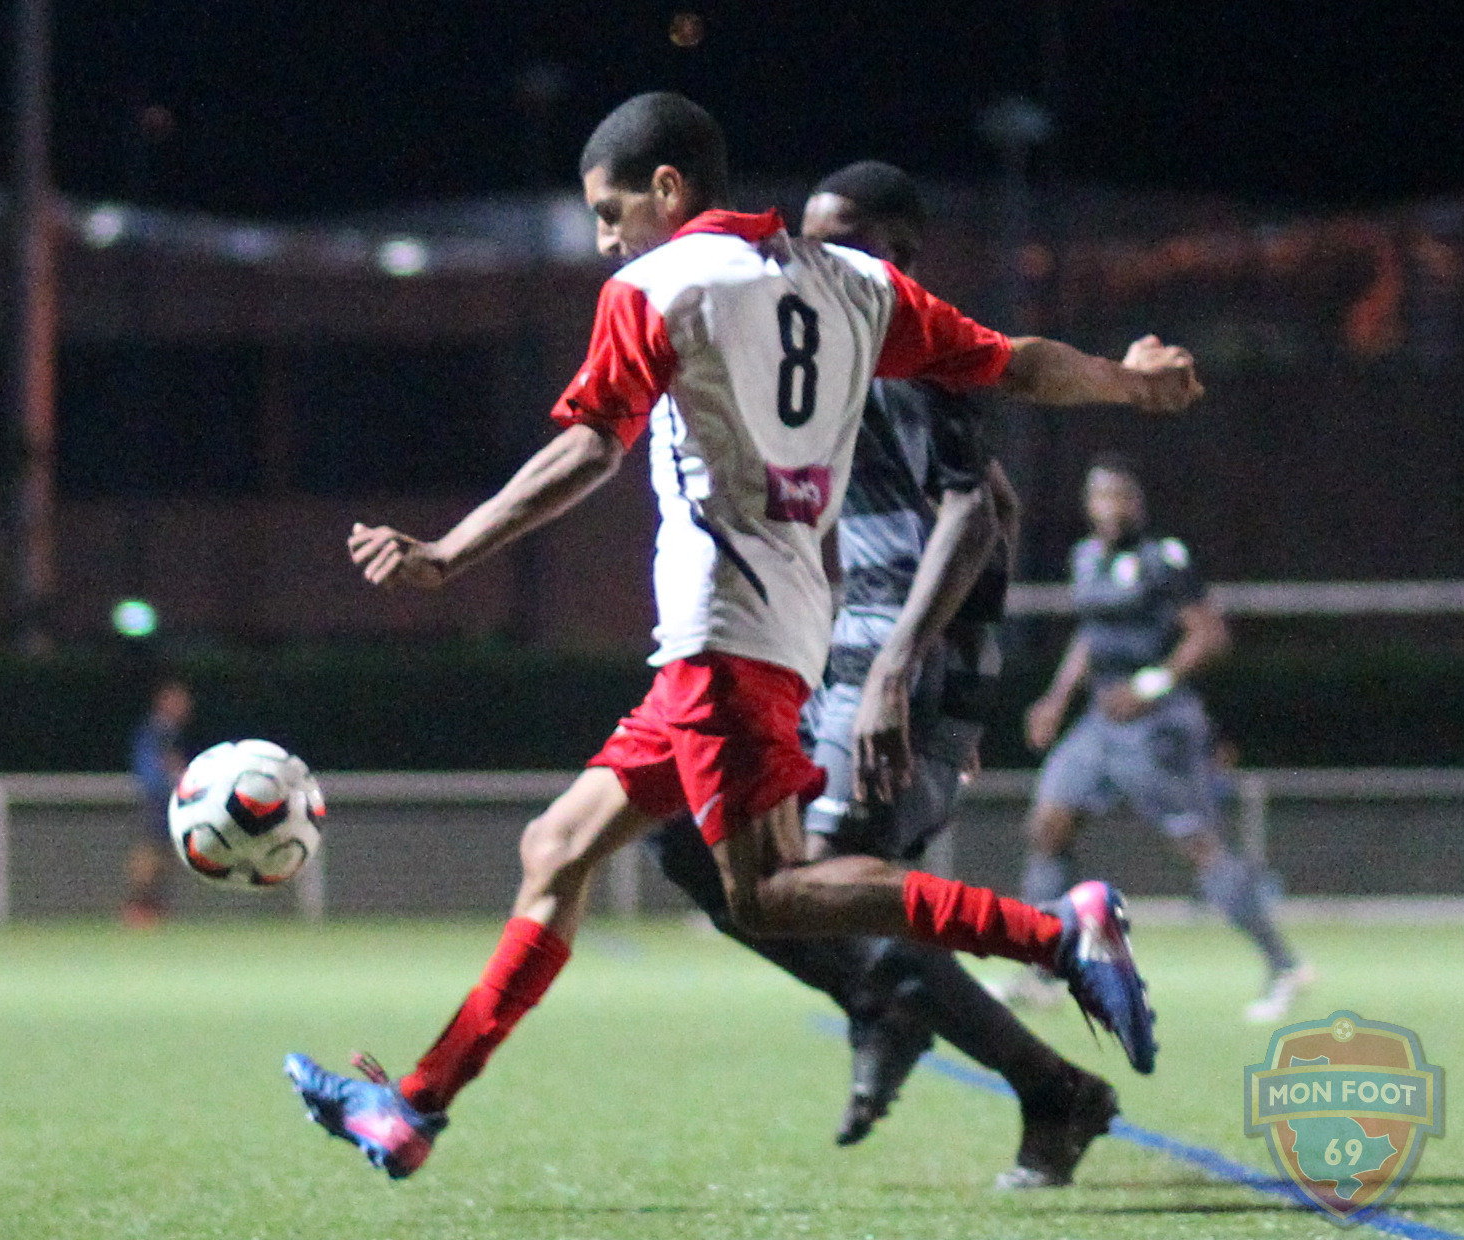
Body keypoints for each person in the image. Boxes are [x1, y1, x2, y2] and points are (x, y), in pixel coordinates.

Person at [288, 92, 1199, 1181]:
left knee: (768, 891)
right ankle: (414, 1109)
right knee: (557, 846)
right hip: (762, 633)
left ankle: (1059, 934)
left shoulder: (655, 285)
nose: (602, 238)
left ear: (668, 190)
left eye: (609, 209)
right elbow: (1017, 362)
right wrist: (1129, 383)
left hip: (726, 629)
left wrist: (449, 553)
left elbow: (589, 449)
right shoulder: (851, 283)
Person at [645, 160, 1116, 1190]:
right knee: (692, 844)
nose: (825, 254)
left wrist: (921, 673)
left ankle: (1040, 1073)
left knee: (828, 887)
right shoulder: (831, 346)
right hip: (833, 657)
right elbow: (996, 497)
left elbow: (974, 508)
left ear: (905, 247)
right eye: (813, 235)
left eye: (850, 234)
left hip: (888, 659)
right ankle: (901, 1012)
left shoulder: (911, 349)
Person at [991, 457, 1310, 1023]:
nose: (1111, 508)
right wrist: (1056, 699)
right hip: (1099, 720)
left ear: (1138, 503)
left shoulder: (1164, 559)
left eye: (1122, 497)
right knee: (1048, 823)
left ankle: (1284, 965)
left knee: (1198, 846)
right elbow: (1090, 635)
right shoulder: (1085, 558)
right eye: (1101, 497)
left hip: (1157, 724)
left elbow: (1210, 635)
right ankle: (1043, 970)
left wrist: (1151, 683)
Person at [122, 678, 194, 928]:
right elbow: (164, 765)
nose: (184, 706)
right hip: (159, 797)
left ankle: (151, 908)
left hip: (164, 797)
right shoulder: (159, 730)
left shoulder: (167, 730)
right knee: (151, 852)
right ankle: (138, 908)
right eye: (178, 701)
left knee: (164, 855)